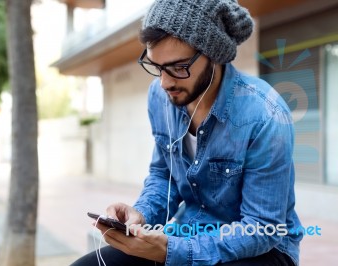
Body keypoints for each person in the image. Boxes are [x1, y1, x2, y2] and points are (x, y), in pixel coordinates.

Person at [71, 0, 303, 265]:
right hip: (187, 232)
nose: (165, 82)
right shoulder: (160, 97)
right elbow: (163, 175)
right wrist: (141, 215)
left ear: (213, 54)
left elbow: (262, 228)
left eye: (179, 67)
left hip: (262, 248)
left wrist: (173, 252)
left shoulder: (265, 114)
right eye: (157, 67)